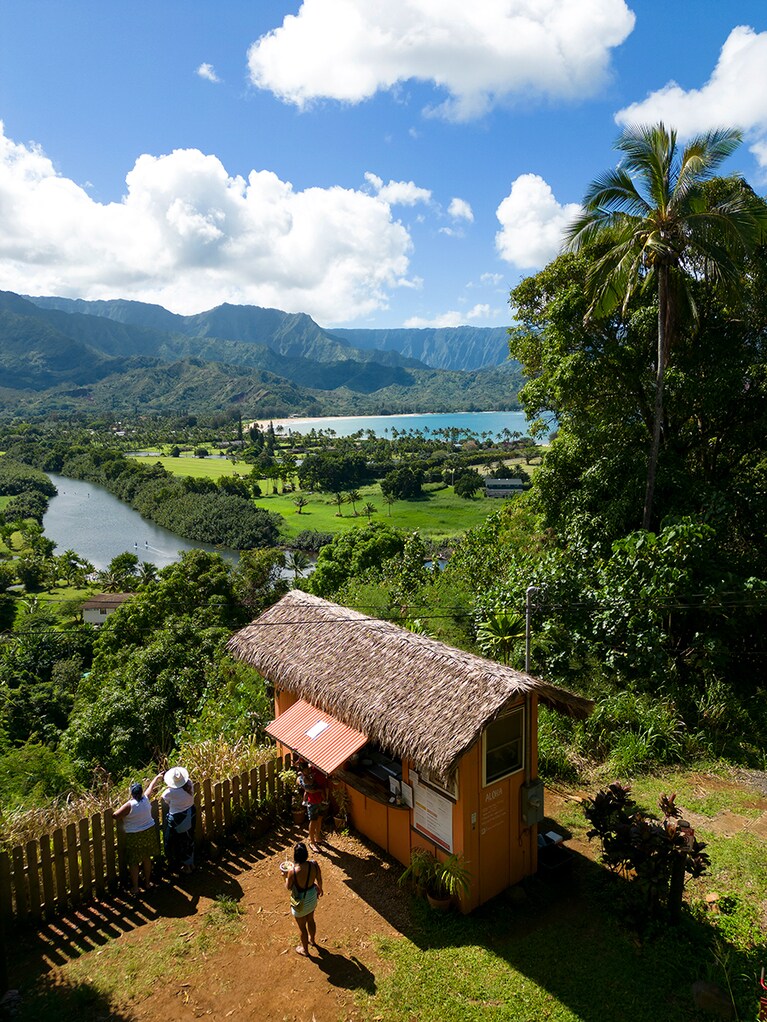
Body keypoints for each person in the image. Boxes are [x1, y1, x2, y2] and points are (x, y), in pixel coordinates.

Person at [114, 776, 162, 897]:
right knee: (146, 858)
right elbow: (150, 788)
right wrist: (156, 778)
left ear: (132, 793)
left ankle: (135, 887)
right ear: (141, 792)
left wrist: (126, 804)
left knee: (134, 861)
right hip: (148, 832)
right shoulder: (145, 799)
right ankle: (147, 883)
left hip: (135, 835)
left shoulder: (130, 805)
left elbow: (115, 815)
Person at [285, 841, 323, 956]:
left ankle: (305, 951)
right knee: (311, 920)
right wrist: (320, 889)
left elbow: (288, 887)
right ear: (306, 854)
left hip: (299, 902)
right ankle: (312, 940)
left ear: (295, 856)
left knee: (302, 928)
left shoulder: (293, 872)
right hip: (312, 897)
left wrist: (285, 877)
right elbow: (319, 878)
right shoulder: (314, 864)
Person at [160, 766, 196, 874]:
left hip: (178, 819)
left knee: (179, 842)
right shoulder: (189, 784)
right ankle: (191, 863)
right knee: (189, 839)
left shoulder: (169, 793)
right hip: (191, 813)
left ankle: (185, 867)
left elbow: (166, 802)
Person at [298, 761, 328, 853]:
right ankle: (312, 842)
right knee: (313, 820)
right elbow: (299, 778)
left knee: (319, 818)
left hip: (321, 799)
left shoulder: (324, 768)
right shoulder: (311, 769)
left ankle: (317, 837)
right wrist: (305, 788)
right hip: (313, 800)